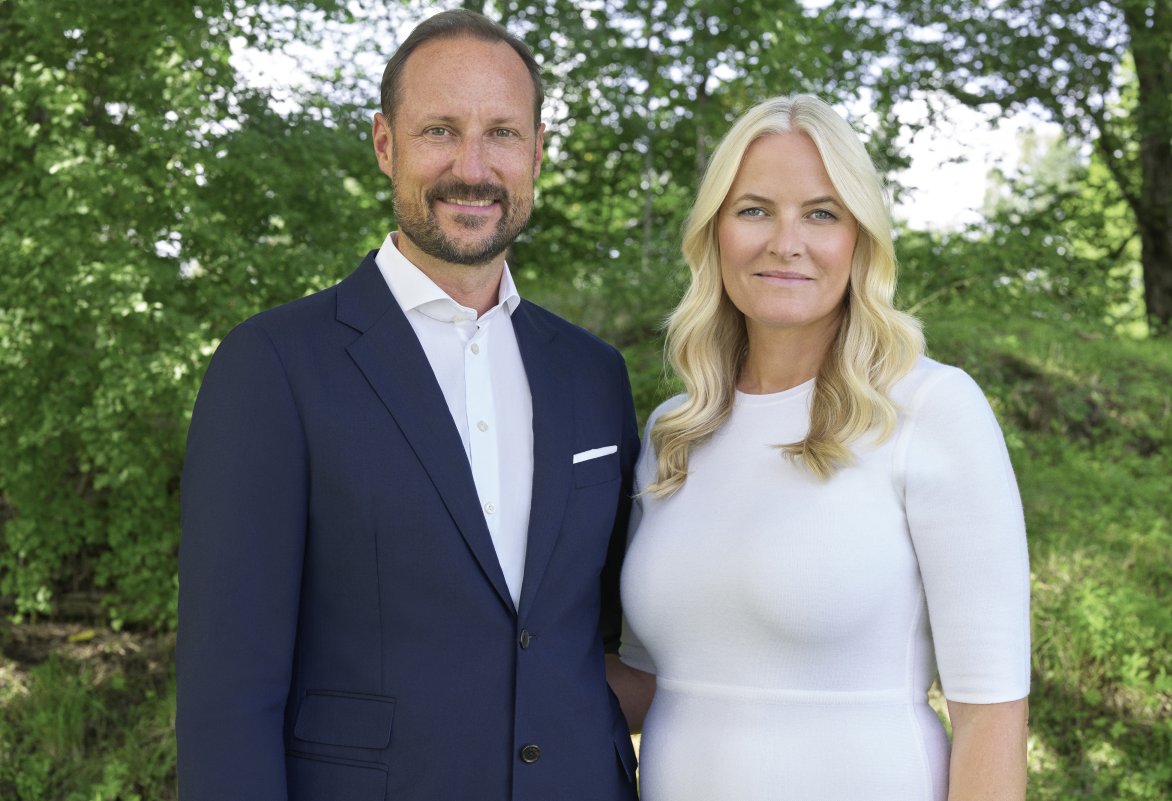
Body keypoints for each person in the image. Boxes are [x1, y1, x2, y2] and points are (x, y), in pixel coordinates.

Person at [176, 10, 640, 801]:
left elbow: (597, 638)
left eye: (501, 133)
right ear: (386, 144)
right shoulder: (273, 366)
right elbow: (228, 696)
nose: (472, 166)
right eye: (439, 131)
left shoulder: (594, 374)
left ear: (536, 152)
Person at [612, 95, 1030, 801]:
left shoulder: (931, 409)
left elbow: (991, 714)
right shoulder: (673, 432)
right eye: (754, 210)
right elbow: (649, 682)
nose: (785, 242)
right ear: (715, 234)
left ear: (860, 239)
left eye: (821, 213)